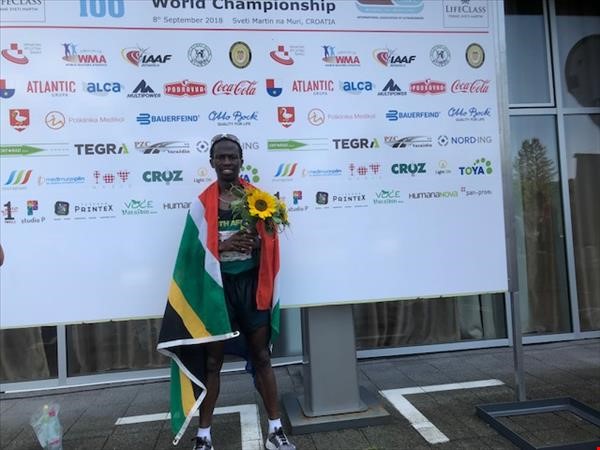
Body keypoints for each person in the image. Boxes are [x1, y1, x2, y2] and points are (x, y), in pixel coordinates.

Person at [157, 134, 295, 450]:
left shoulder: (259, 199)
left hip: (250, 288)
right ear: (212, 162)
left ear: (241, 161)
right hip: (217, 291)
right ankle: (204, 435)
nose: (227, 162)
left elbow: (271, 243)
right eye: (221, 157)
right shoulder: (201, 205)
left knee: (262, 356)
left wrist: (260, 242)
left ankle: (275, 431)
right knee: (212, 362)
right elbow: (190, 254)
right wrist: (223, 244)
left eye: (232, 156)